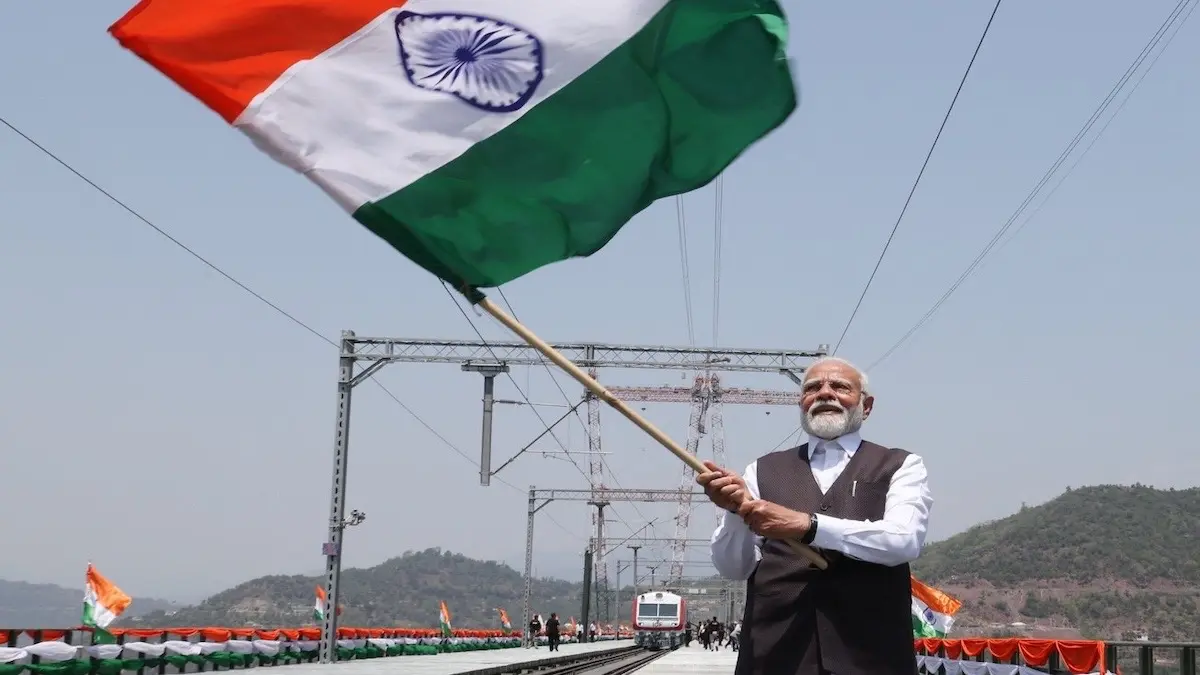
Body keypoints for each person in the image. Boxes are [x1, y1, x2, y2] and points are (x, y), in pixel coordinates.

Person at [698, 357, 932, 675]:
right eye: (812, 388)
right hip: (775, 657)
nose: (824, 393)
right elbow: (733, 568)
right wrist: (734, 511)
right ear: (802, 403)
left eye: (840, 386)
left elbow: (903, 541)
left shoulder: (900, 465)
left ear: (866, 406)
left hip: (872, 657)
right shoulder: (762, 470)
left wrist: (808, 526)